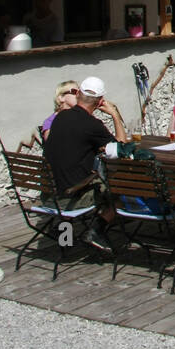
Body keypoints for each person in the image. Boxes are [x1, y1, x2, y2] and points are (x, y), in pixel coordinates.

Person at [43, 75, 128, 254]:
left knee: (80, 178)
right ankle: (95, 231)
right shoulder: (92, 125)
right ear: (100, 102)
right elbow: (121, 148)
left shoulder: (59, 118)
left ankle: (64, 242)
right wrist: (114, 114)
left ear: (79, 94)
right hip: (71, 195)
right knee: (121, 194)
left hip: (51, 192)